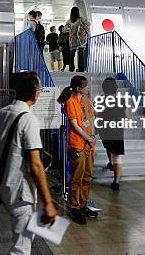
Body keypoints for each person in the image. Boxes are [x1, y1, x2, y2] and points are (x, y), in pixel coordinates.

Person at [0, 72, 56, 254]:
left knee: (25, 235)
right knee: (21, 247)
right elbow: (36, 165)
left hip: (3, 186)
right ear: (35, 93)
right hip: (21, 194)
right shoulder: (28, 119)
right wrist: (48, 202)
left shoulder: (1, 113)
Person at [58, 75, 96, 224]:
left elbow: (91, 120)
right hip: (77, 144)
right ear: (79, 88)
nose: (88, 88)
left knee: (87, 177)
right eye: (85, 86)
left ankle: (83, 204)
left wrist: (92, 136)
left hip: (89, 144)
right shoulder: (70, 102)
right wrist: (87, 137)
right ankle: (75, 207)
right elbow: (74, 125)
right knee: (77, 178)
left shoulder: (86, 101)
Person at [98, 78, 128, 190]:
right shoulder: (121, 100)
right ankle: (116, 181)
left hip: (105, 129)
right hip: (117, 130)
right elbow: (126, 116)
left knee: (108, 146)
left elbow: (98, 114)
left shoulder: (100, 99)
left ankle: (110, 163)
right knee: (117, 157)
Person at [65, 7, 90, 72]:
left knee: (72, 54)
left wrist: (69, 30)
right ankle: (81, 68)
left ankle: (71, 68)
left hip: (72, 39)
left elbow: (64, 30)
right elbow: (86, 28)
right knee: (81, 54)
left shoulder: (69, 21)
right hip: (80, 39)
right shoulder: (81, 19)